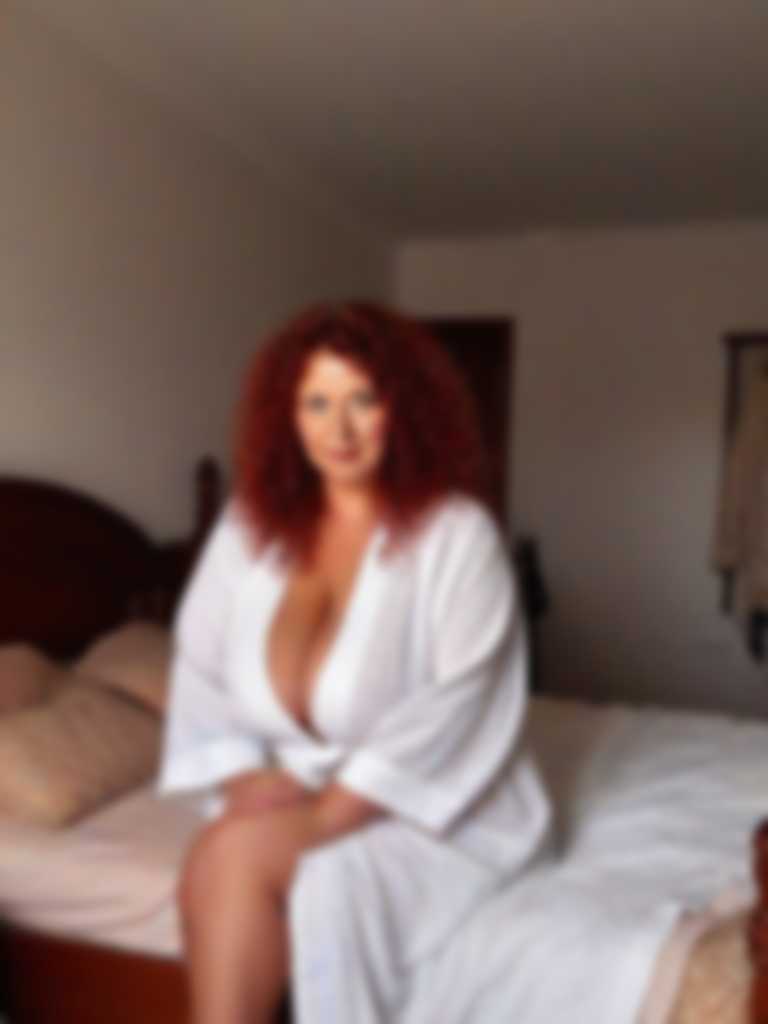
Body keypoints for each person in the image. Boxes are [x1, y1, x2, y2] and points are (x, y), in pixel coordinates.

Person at [157, 301, 552, 1024]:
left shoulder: (457, 535)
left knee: (229, 857)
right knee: (227, 852)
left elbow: (461, 702)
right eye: (317, 403)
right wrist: (246, 776)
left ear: (404, 409)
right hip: (290, 787)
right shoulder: (248, 526)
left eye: (362, 400)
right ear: (288, 416)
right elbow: (201, 663)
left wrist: (322, 818)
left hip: (434, 803)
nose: (338, 430)